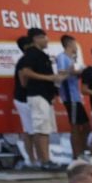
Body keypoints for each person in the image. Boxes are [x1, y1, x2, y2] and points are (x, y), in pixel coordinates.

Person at [17, 28, 59, 169]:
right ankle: (44, 161)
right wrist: (48, 78)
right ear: (36, 39)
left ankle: (47, 159)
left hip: (45, 96)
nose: (46, 40)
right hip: (37, 95)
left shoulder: (42, 55)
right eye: (43, 37)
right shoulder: (31, 54)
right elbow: (25, 72)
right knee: (39, 129)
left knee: (45, 129)